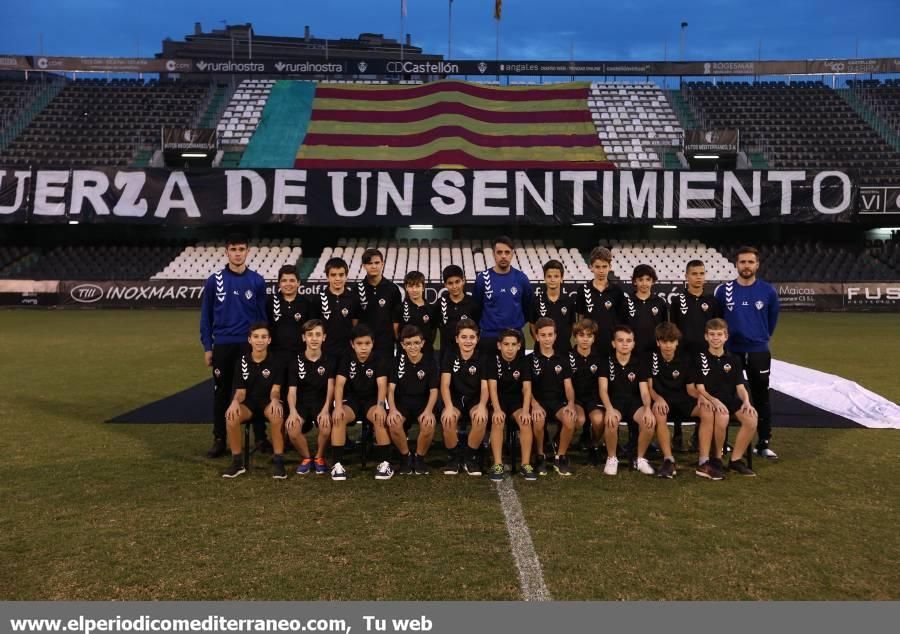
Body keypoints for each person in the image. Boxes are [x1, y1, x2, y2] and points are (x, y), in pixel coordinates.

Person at [200, 233, 269, 459]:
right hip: (223, 345)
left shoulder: (257, 281)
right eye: (233, 249)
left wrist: (263, 345)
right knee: (222, 392)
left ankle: (261, 437)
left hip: (249, 346)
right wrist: (208, 347)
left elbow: (262, 318)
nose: (237, 253)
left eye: (241, 249)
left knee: (256, 391)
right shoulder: (214, 280)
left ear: (248, 251)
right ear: (227, 252)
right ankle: (219, 438)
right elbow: (206, 317)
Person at [714, 246, 780, 460]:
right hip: (730, 352)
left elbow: (771, 322)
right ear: (736, 264)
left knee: (761, 397)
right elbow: (717, 320)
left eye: (750, 262)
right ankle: (723, 443)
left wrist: (758, 337)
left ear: (757, 265)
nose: (746, 266)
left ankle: (763, 443)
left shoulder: (768, 291)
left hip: (758, 351)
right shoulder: (724, 291)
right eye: (742, 262)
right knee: (725, 396)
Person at [691, 318, 759, 478]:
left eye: (719, 334)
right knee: (723, 417)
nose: (716, 338)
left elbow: (740, 387)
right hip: (709, 400)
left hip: (728, 399)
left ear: (726, 337)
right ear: (706, 337)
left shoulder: (734, 359)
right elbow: (699, 388)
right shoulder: (700, 358)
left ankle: (735, 460)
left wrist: (747, 402)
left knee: (751, 419)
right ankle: (717, 460)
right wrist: (713, 400)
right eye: (712, 334)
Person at [668, 259, 722, 451]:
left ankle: (700, 434)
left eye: (701, 274)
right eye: (694, 274)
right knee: (680, 392)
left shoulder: (712, 302)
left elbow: (717, 328)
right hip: (682, 357)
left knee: (704, 393)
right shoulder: (677, 300)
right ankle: (677, 433)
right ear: (687, 276)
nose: (698, 277)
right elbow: (672, 329)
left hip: (705, 357)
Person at [221, 323, 286, 479]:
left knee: (276, 414)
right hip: (248, 403)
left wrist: (276, 401)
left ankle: (278, 462)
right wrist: (235, 402)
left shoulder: (277, 361)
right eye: (256, 337)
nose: (260, 340)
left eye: (263, 337)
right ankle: (237, 463)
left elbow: (275, 391)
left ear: (269, 340)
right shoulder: (242, 362)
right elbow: (240, 392)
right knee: (231, 416)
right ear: (249, 340)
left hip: (267, 402)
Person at [331, 324, 390, 481]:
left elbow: (382, 385)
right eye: (359, 344)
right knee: (339, 417)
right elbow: (339, 384)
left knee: (379, 417)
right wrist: (337, 407)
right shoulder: (346, 358)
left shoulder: (379, 359)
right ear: (352, 344)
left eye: (367, 343)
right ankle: (337, 465)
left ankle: (385, 463)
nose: (363, 348)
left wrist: (380, 406)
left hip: (372, 400)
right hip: (352, 401)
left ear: (373, 343)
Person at [647, 322, 704, 479]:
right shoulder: (650, 358)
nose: (668, 346)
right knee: (659, 412)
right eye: (664, 342)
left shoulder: (685, 358)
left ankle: (705, 460)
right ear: (658, 342)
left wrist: (701, 398)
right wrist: (657, 399)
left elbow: (691, 388)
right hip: (661, 400)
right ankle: (668, 459)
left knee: (707, 411)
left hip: (682, 399)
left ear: (677, 342)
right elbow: (649, 387)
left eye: (671, 341)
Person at [598, 326, 655, 476]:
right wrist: (609, 409)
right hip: (614, 403)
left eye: (628, 341)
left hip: (634, 404)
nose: (625, 344)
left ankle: (640, 459)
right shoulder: (606, 362)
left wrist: (648, 408)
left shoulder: (640, 362)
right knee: (610, 421)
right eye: (620, 340)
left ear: (633, 344)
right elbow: (603, 390)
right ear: (613, 343)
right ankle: (611, 458)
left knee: (649, 421)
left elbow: (644, 391)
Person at [386, 326, 440, 476]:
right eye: (408, 343)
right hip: (402, 403)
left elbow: (434, 390)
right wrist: (392, 409)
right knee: (394, 423)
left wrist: (429, 411)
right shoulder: (397, 362)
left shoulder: (430, 362)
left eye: (416, 343)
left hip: (423, 403)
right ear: (402, 345)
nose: (413, 347)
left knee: (428, 424)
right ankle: (406, 458)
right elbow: (390, 389)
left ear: (422, 343)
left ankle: (419, 458)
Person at [439, 319, 490, 476]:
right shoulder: (449, 355)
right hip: (454, 398)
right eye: (464, 337)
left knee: (481, 418)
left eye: (472, 337)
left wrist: (482, 406)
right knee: (448, 419)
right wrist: (448, 407)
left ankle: (469, 457)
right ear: (457, 339)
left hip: (475, 399)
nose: (468, 341)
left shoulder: (483, 357)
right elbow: (445, 385)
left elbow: (485, 386)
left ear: (477, 339)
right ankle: (454, 458)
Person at [530, 318, 579, 476]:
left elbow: (569, 386)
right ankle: (540, 456)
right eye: (543, 335)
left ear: (555, 336)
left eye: (550, 334)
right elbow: (526, 388)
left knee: (570, 419)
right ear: (536, 336)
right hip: (538, 402)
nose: (547, 338)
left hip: (558, 402)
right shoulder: (530, 360)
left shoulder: (563, 360)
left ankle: (560, 457)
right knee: (538, 420)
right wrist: (534, 405)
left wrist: (571, 403)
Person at [285, 320, 334, 476]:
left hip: (321, 402)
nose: (314, 338)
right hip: (301, 402)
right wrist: (292, 411)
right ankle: (307, 458)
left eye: (318, 335)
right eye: (310, 334)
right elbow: (292, 391)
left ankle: (319, 457)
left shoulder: (330, 360)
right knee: (292, 429)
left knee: (326, 428)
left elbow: (331, 388)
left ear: (324, 337)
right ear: (303, 338)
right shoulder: (295, 361)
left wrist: (326, 410)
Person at [486, 329, 535, 481]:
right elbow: (492, 388)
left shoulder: (523, 362)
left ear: (519, 346)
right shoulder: (492, 361)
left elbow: (527, 388)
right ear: (499, 345)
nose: (510, 348)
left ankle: (526, 464)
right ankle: (498, 464)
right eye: (506, 344)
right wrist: (497, 409)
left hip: (516, 402)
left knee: (525, 421)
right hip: (497, 400)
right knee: (498, 420)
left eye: (514, 344)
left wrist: (526, 411)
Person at [474, 236, 532, 359]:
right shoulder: (482, 279)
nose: (503, 256)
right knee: (487, 377)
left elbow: (528, 308)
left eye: (507, 252)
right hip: (489, 338)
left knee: (516, 377)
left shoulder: (521, 278)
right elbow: (476, 309)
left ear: (512, 254)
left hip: (515, 337)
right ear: (493, 254)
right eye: (499, 252)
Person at [267, 264, 311, 408]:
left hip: (299, 356)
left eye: (292, 280)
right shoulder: (270, 303)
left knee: (299, 391)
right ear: (279, 283)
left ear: (298, 282)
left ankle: (300, 425)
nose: (288, 284)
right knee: (279, 391)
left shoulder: (306, 303)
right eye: (284, 280)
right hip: (276, 356)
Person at [568, 319, 606, 466]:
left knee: (598, 420)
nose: (585, 339)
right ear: (575, 337)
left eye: (589, 336)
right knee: (578, 419)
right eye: (581, 335)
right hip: (574, 399)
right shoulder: (567, 357)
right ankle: (562, 442)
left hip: (593, 399)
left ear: (594, 338)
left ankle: (594, 445)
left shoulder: (600, 358)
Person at [576, 246, 626, 355]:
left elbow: (621, 319)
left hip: (611, 345)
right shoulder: (583, 290)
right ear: (591, 267)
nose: (601, 271)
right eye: (597, 267)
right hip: (590, 346)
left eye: (604, 266)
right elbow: (581, 319)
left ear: (610, 267)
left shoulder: (617, 291)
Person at [310, 257, 360, 363]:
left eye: (341, 275)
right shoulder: (318, 298)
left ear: (346, 276)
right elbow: (314, 326)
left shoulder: (353, 298)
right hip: (325, 351)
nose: (337, 278)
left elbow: (355, 325)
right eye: (333, 275)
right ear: (327, 277)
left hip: (347, 351)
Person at [357, 248, 403, 359]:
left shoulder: (393, 289)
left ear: (382, 264)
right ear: (363, 266)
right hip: (364, 344)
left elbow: (396, 319)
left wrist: (394, 338)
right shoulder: (357, 289)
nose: (373, 266)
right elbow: (354, 320)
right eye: (369, 263)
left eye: (377, 263)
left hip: (385, 344)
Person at [529, 259, 576, 355]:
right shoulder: (536, 301)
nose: (552, 279)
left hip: (564, 351)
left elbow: (572, 326)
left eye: (556, 276)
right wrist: (541, 343)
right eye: (549, 276)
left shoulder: (569, 302)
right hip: (542, 352)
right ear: (544, 278)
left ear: (562, 278)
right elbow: (532, 326)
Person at [436, 265, 481, 361]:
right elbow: (432, 327)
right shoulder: (440, 303)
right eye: (450, 283)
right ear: (445, 285)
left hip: (468, 354)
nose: (454, 286)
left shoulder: (473, 304)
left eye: (457, 282)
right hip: (446, 354)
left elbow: (478, 329)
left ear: (463, 281)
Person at [622, 264, 668, 354]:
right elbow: (622, 328)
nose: (644, 283)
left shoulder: (660, 302)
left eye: (648, 279)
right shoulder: (626, 302)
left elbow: (664, 328)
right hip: (632, 351)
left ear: (653, 281)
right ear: (635, 281)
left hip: (655, 351)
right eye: (640, 280)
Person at [392, 270, 437, 359]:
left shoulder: (431, 309)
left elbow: (433, 332)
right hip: (404, 354)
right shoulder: (399, 308)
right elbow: (396, 332)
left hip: (426, 353)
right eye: (411, 286)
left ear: (423, 287)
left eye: (417, 286)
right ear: (406, 287)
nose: (414, 290)